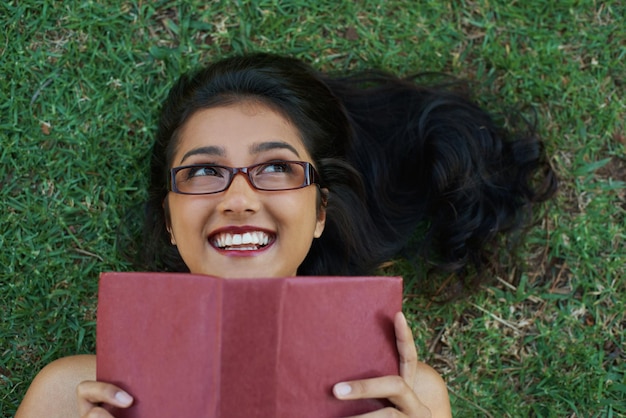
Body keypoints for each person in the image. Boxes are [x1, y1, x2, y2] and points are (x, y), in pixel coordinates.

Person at [15, 53, 556, 418]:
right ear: (168, 220)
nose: (239, 197)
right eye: (204, 172)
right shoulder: (71, 398)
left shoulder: (403, 402)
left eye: (275, 167)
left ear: (320, 212)